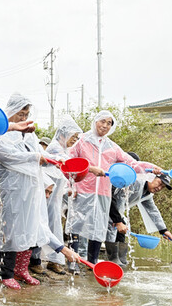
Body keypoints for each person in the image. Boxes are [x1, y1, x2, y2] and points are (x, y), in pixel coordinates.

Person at [0, 94, 79, 290]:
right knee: (11, 228)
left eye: (26, 114)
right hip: (12, 188)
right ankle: (6, 273)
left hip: (32, 187)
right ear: (10, 112)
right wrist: (37, 157)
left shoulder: (28, 134)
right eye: (20, 113)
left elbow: (40, 153)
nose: (23, 117)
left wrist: (55, 159)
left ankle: (22, 270)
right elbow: (7, 157)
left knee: (31, 226)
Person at [66, 110, 161, 265]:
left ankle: (92, 263)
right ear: (95, 121)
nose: (105, 126)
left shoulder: (112, 147)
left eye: (109, 123)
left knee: (98, 229)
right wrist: (89, 169)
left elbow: (131, 163)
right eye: (102, 121)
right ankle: (72, 263)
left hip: (103, 193)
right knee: (76, 226)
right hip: (82, 190)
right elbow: (69, 162)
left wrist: (151, 168)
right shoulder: (81, 141)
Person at [30, 116, 83, 275]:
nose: (74, 140)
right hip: (45, 195)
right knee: (41, 226)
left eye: (76, 138)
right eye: (73, 137)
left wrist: (68, 189)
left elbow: (62, 175)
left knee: (52, 228)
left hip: (55, 198)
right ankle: (35, 260)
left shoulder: (64, 150)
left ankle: (54, 261)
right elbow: (65, 165)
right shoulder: (54, 148)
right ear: (62, 135)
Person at [106, 152, 172, 266]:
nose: (159, 187)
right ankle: (112, 260)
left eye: (162, 187)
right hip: (108, 205)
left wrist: (163, 230)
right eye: (159, 183)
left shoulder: (147, 194)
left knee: (122, 230)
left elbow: (153, 211)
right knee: (114, 227)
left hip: (117, 211)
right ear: (151, 177)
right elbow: (118, 201)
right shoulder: (135, 182)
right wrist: (118, 221)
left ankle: (121, 260)